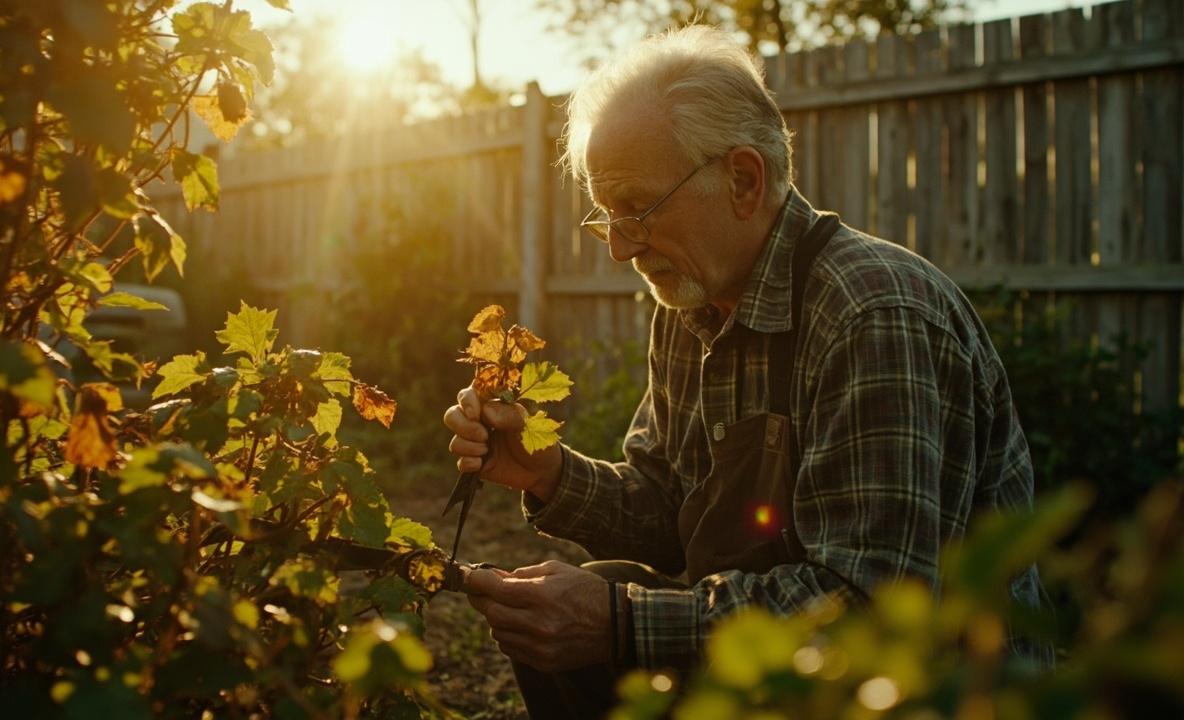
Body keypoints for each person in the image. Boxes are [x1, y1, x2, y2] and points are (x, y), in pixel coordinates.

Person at [443, 24, 1049, 718]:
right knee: (581, 607)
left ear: (742, 179)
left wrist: (623, 621)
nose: (617, 249)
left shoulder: (872, 313)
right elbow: (671, 511)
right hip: (779, 674)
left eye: (636, 209)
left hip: (927, 692)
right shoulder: (690, 306)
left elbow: (872, 605)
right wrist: (547, 472)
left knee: (603, 613)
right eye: (605, 218)